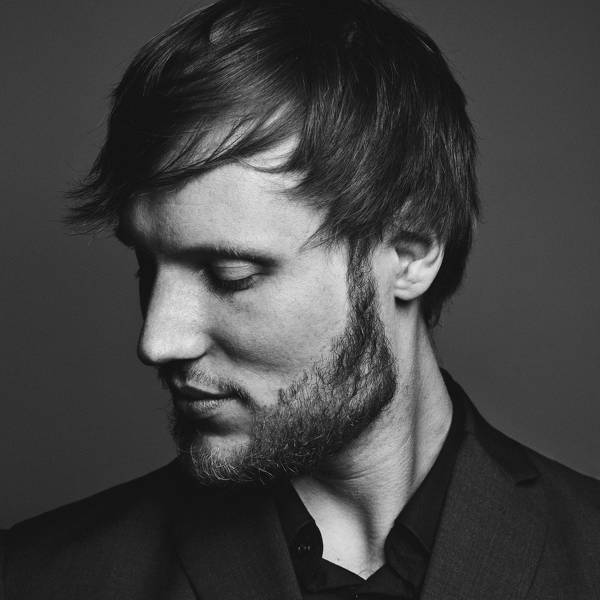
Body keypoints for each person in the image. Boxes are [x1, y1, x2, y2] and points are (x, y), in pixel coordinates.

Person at [1, 0, 598, 598]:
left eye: (231, 274)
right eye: (147, 265)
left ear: (410, 255)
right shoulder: (40, 578)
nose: (157, 341)